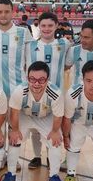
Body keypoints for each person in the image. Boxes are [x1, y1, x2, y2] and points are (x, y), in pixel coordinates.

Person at [4, 62, 65, 181]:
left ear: (47, 80)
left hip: (46, 117)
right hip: (25, 116)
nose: (36, 83)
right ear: (27, 79)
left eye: (41, 80)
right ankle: (11, 174)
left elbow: (58, 116)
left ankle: (53, 175)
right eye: (33, 79)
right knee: (14, 139)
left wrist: (55, 132)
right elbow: (13, 113)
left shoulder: (56, 93)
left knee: (55, 142)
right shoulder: (19, 91)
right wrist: (14, 130)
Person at [24, 12, 71, 169]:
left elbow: (68, 64)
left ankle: (52, 156)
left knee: (53, 127)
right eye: (43, 25)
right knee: (36, 129)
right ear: (39, 26)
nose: (46, 29)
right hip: (35, 94)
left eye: (50, 25)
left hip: (56, 96)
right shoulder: (29, 46)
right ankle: (37, 157)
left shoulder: (64, 44)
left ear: (57, 26)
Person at [0, 0, 32, 98]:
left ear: (12, 13)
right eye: (0, 12)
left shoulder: (24, 32)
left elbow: (31, 60)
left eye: (7, 11)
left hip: (19, 88)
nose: (3, 15)